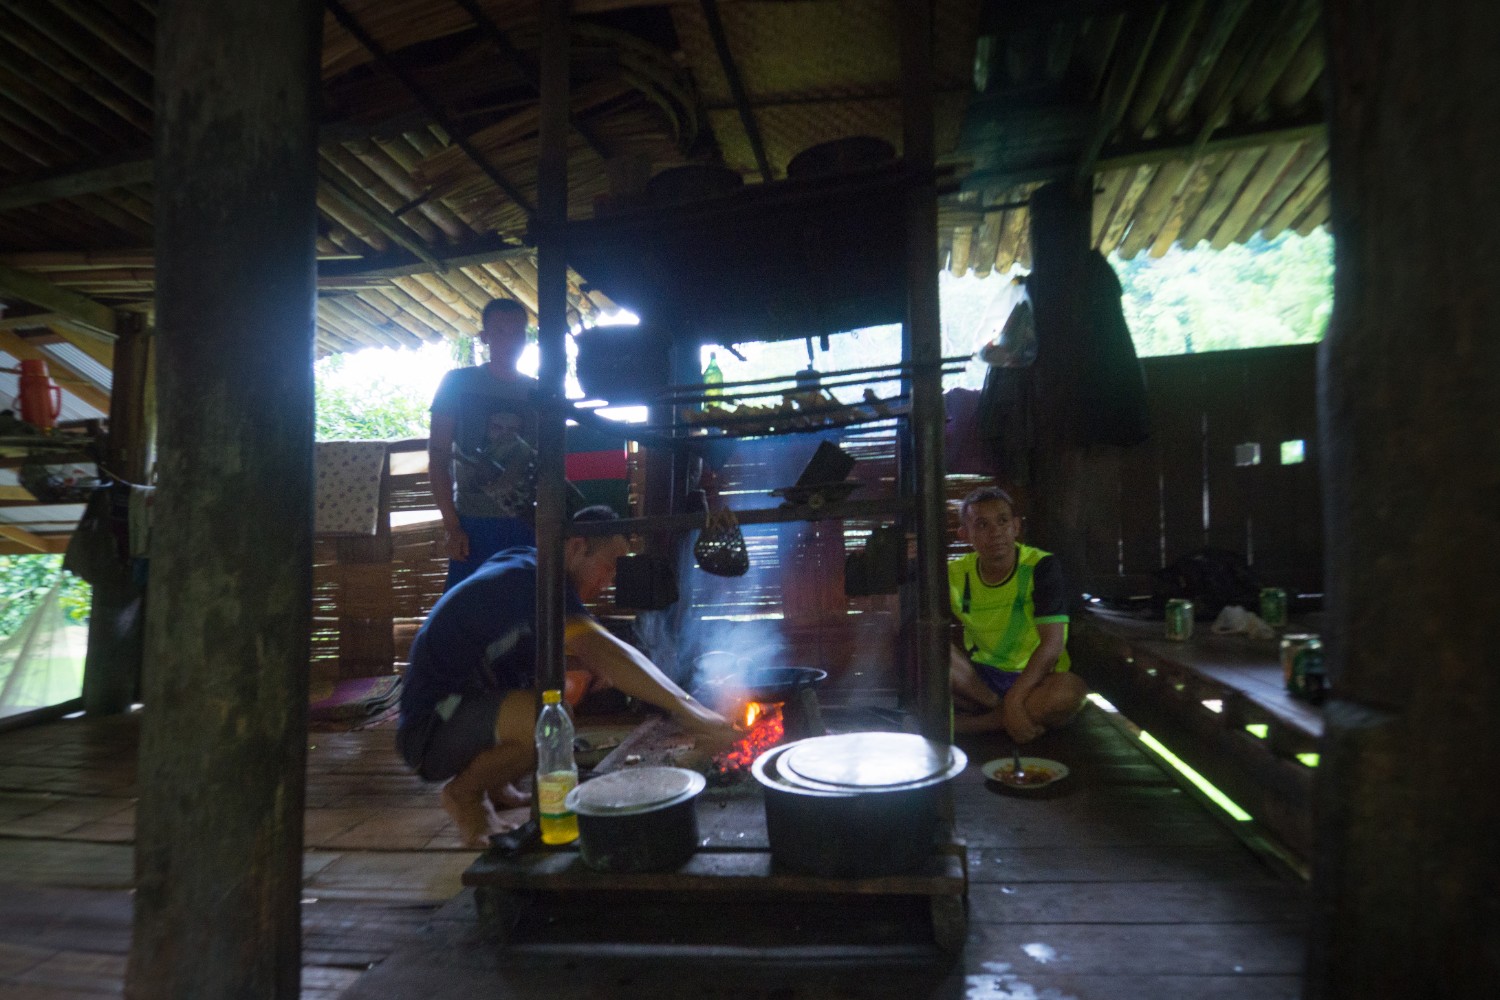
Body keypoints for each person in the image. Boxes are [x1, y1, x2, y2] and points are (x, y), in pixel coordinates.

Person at [396, 506, 739, 847]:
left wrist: (591, 666)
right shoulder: (534, 580)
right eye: (608, 566)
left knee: (555, 701)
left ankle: (496, 785)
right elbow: (607, 652)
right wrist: (693, 711)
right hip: (430, 729)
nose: (609, 581)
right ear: (576, 547)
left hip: (459, 711)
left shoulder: (530, 565)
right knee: (547, 721)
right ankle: (466, 794)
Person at [947, 485, 1088, 739]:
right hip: (982, 682)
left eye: (1002, 521)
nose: (996, 532)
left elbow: (1053, 644)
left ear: (1015, 526)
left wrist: (1015, 698)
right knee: (932, 652)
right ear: (965, 534)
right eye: (982, 525)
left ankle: (973, 724)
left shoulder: (1040, 566)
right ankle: (1006, 712)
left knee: (1069, 692)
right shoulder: (954, 574)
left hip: (1037, 678)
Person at [428, 298, 538, 591]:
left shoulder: (537, 391)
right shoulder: (456, 383)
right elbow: (438, 457)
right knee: (469, 609)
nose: (510, 341)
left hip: (528, 523)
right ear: (484, 337)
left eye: (517, 333)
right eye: (500, 332)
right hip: (474, 524)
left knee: (525, 609)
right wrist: (453, 526)